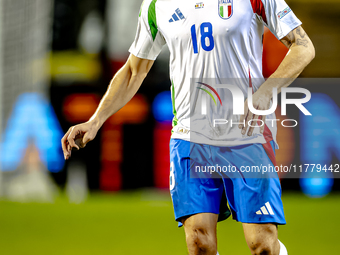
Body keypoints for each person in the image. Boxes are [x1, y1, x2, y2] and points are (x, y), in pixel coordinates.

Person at [61, 0, 315, 254]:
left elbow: (303, 46)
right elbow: (133, 70)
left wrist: (266, 92)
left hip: (248, 134)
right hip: (190, 137)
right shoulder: (156, 5)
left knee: (262, 244)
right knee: (198, 243)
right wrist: (95, 121)